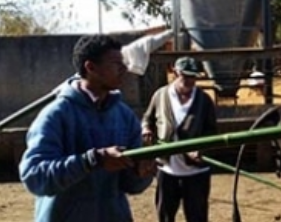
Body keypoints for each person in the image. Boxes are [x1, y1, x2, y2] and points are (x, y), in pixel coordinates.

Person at [18, 34, 157, 222]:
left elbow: (130, 185)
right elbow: (35, 177)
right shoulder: (56, 116)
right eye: (116, 63)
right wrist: (91, 160)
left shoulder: (125, 116)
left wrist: (141, 172)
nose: (124, 69)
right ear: (91, 67)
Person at [141, 56, 218, 222]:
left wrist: (201, 149)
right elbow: (148, 118)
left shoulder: (204, 100)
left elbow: (212, 132)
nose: (190, 80)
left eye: (193, 77)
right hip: (167, 170)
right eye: (186, 76)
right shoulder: (160, 95)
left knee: (197, 217)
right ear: (175, 73)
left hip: (196, 172)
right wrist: (146, 128)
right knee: (165, 215)